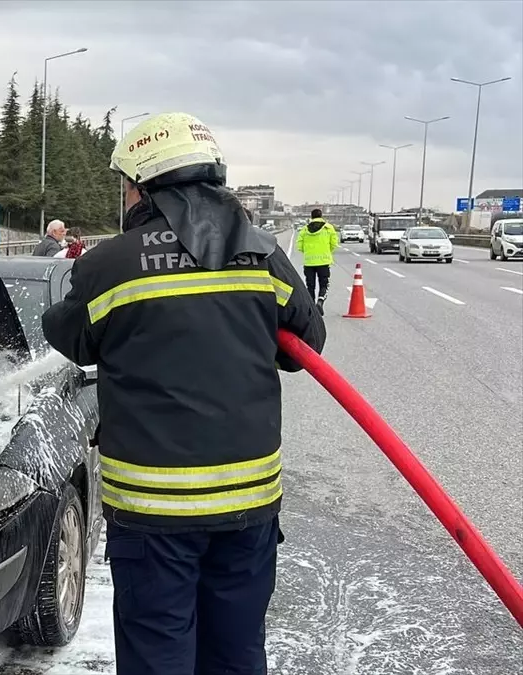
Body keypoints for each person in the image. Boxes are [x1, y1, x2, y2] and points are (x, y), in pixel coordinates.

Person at [40, 112, 326, 675]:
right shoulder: (262, 253)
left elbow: (70, 335)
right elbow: (308, 341)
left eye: (125, 186)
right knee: (238, 653)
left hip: (153, 512)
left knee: (158, 655)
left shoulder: (112, 265)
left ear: (143, 186)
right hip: (247, 506)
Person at [296, 208, 339, 314]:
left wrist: (309, 252)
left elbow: (299, 246)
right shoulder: (328, 228)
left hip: (309, 262)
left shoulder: (305, 230)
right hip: (323, 262)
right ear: (321, 216)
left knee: (310, 286)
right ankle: (320, 301)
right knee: (324, 284)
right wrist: (326, 251)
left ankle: (311, 309)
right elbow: (334, 244)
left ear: (311, 217)